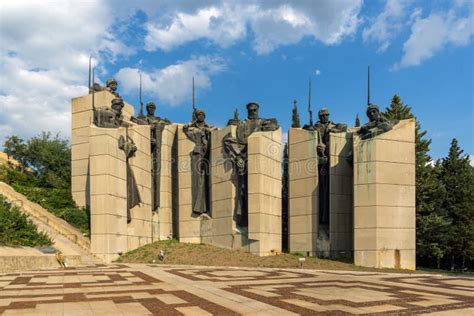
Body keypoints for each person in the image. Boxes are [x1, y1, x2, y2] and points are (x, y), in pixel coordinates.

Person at [223, 102, 279, 226]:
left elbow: (274, 124)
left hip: (257, 158)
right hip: (242, 156)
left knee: (255, 189)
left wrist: (270, 126)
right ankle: (244, 219)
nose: (252, 112)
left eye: (254, 110)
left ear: (258, 110)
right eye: (250, 110)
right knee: (243, 189)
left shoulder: (262, 122)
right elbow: (231, 139)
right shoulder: (242, 123)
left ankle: (254, 220)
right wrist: (238, 157)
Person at [132, 101, 171, 212]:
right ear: (147, 109)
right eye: (149, 107)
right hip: (148, 150)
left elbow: (168, 123)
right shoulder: (143, 119)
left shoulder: (159, 119)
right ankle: (152, 204)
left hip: (157, 151)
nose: (151, 109)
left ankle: (156, 204)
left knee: (156, 176)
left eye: (153, 107)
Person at [183, 109, 214, 215]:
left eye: (202, 114)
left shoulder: (209, 127)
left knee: (206, 180)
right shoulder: (193, 128)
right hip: (198, 154)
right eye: (198, 115)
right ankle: (199, 207)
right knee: (197, 181)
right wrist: (192, 123)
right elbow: (185, 129)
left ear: (204, 116)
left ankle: (205, 207)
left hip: (208, 154)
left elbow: (215, 133)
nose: (200, 116)